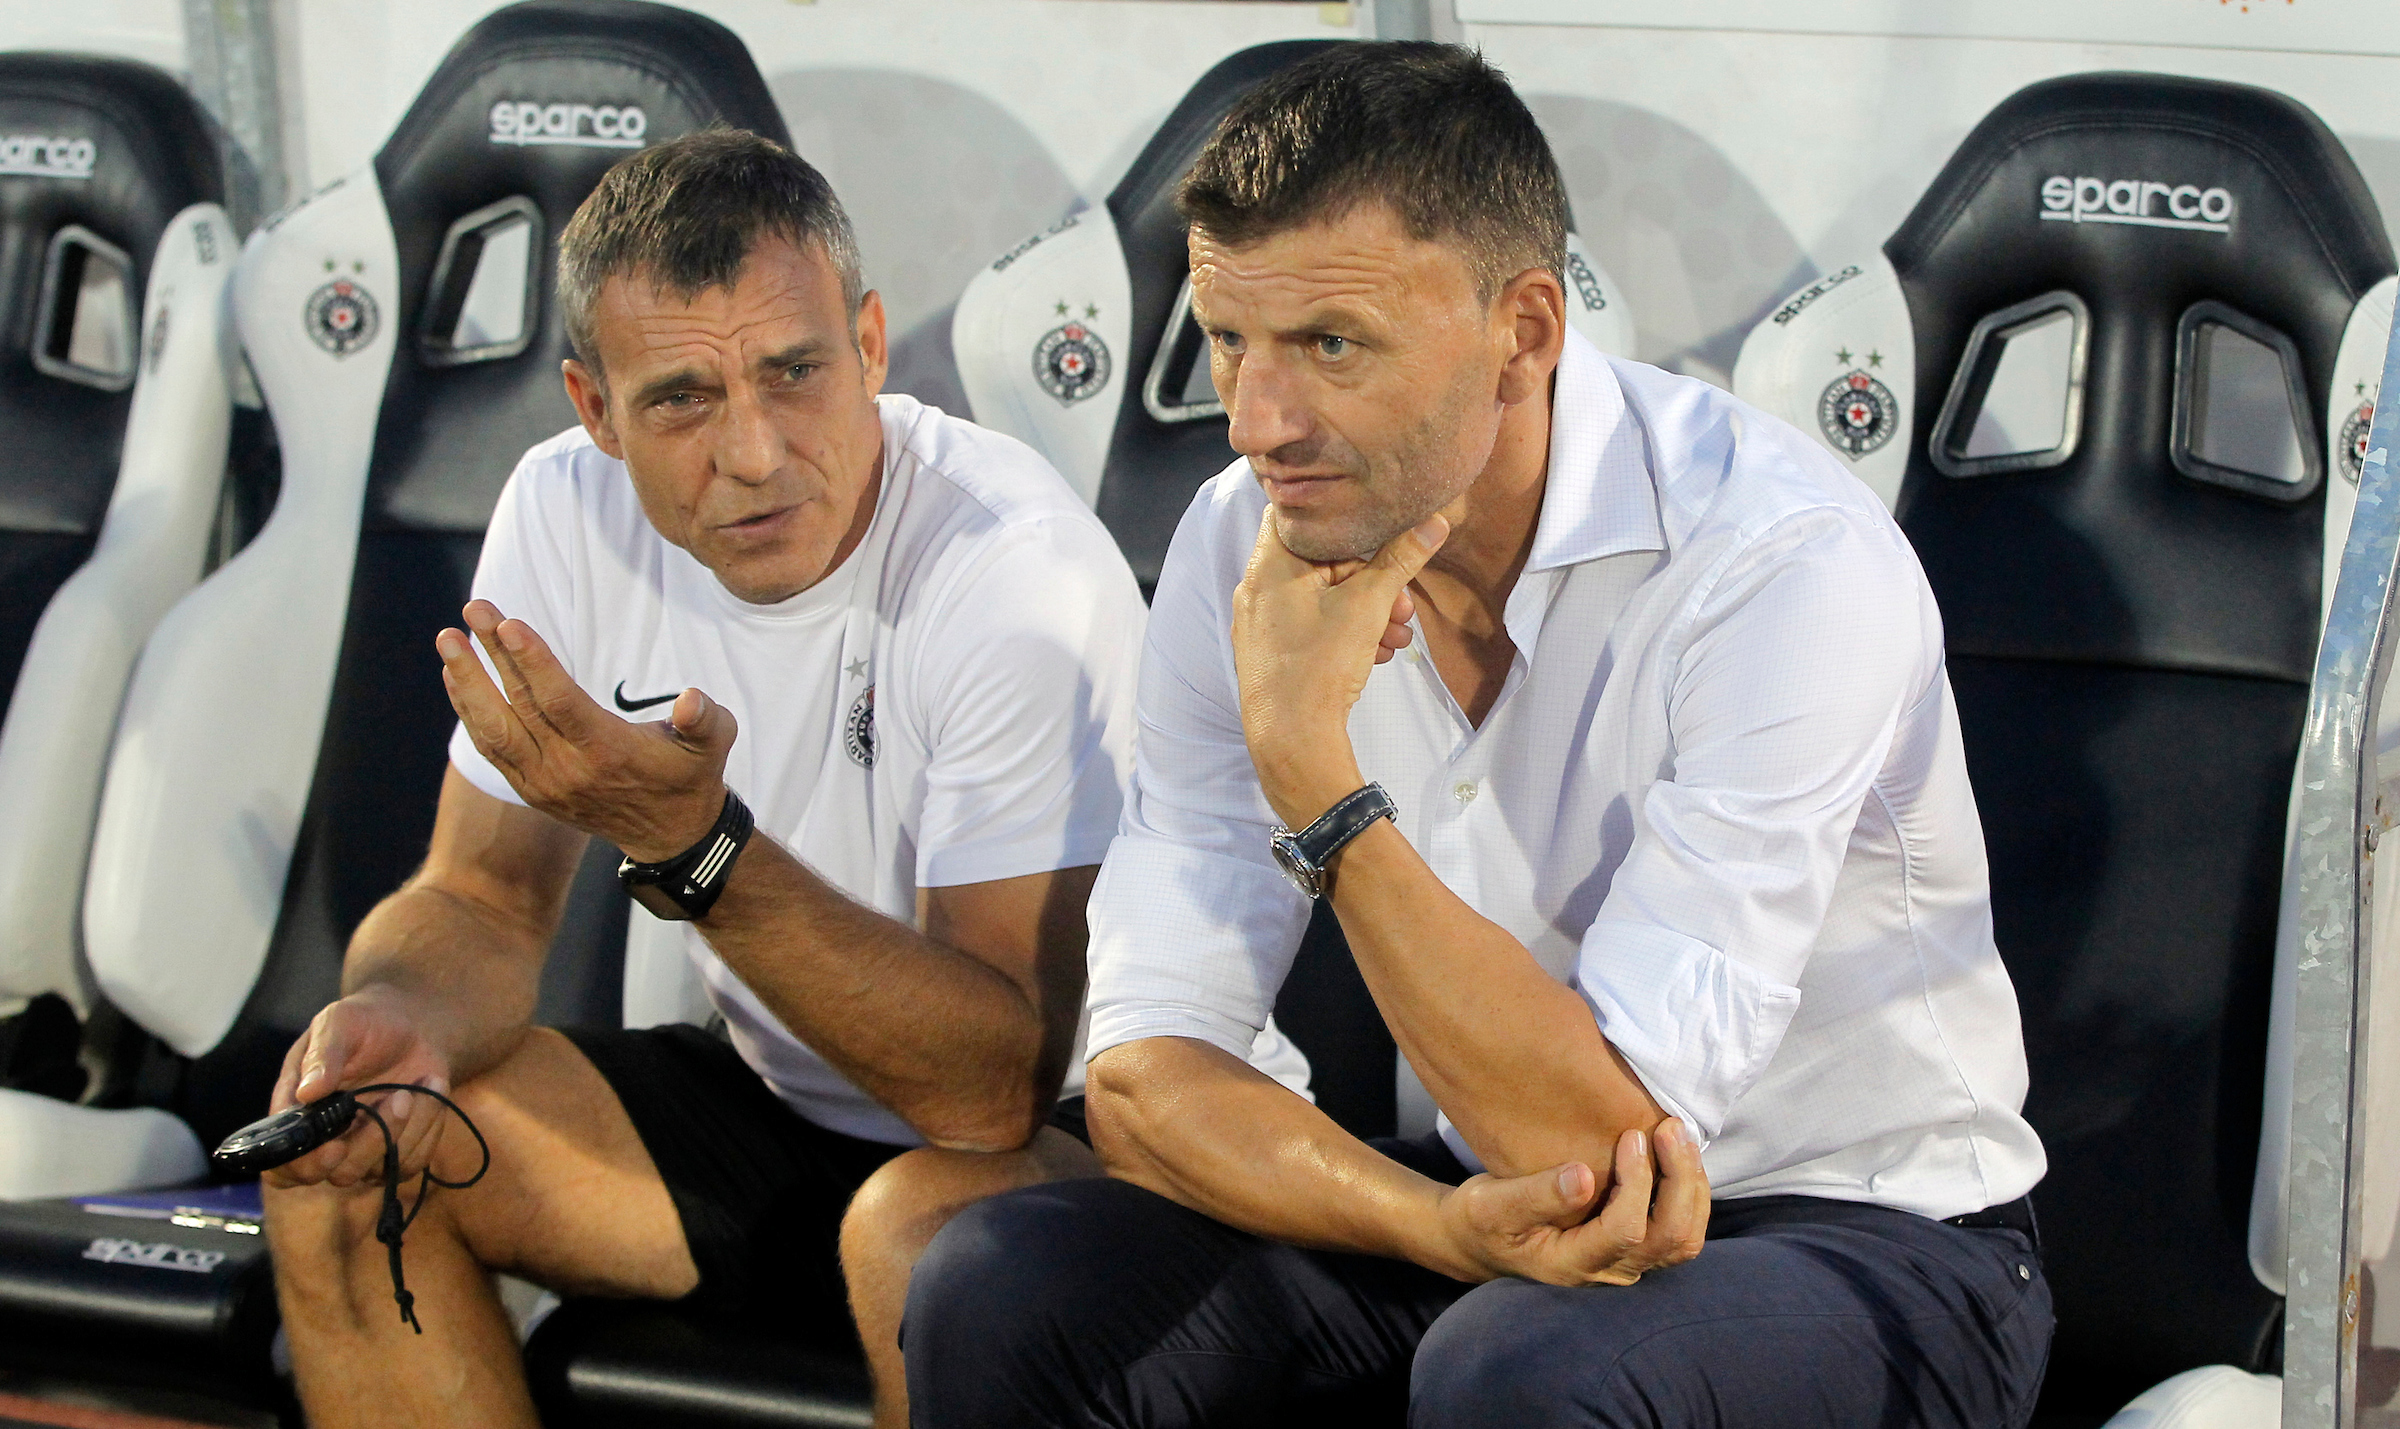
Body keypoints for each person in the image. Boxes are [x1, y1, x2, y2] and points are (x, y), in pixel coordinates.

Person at [902, 42, 2055, 1428]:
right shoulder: (1242, 539)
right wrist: (1435, 1230)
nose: (1259, 422)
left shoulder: (1782, 566)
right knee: (1003, 1282)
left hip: (1877, 1241)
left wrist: (1314, 779)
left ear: (1525, 330)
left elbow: (1600, 1145)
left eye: (1330, 343)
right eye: (1229, 339)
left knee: (1521, 1370)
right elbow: (1147, 1080)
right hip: (1489, 1206)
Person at [256, 129, 1283, 1429]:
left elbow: (992, 1084)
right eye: (681, 397)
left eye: (794, 372)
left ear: (867, 345)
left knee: (925, 1241)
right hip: (788, 1101)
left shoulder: (1007, 567)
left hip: (1099, 1143)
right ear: (595, 411)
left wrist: (699, 852)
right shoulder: (567, 509)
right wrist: (399, 1015)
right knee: (360, 1153)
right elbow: (479, 897)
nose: (751, 450)